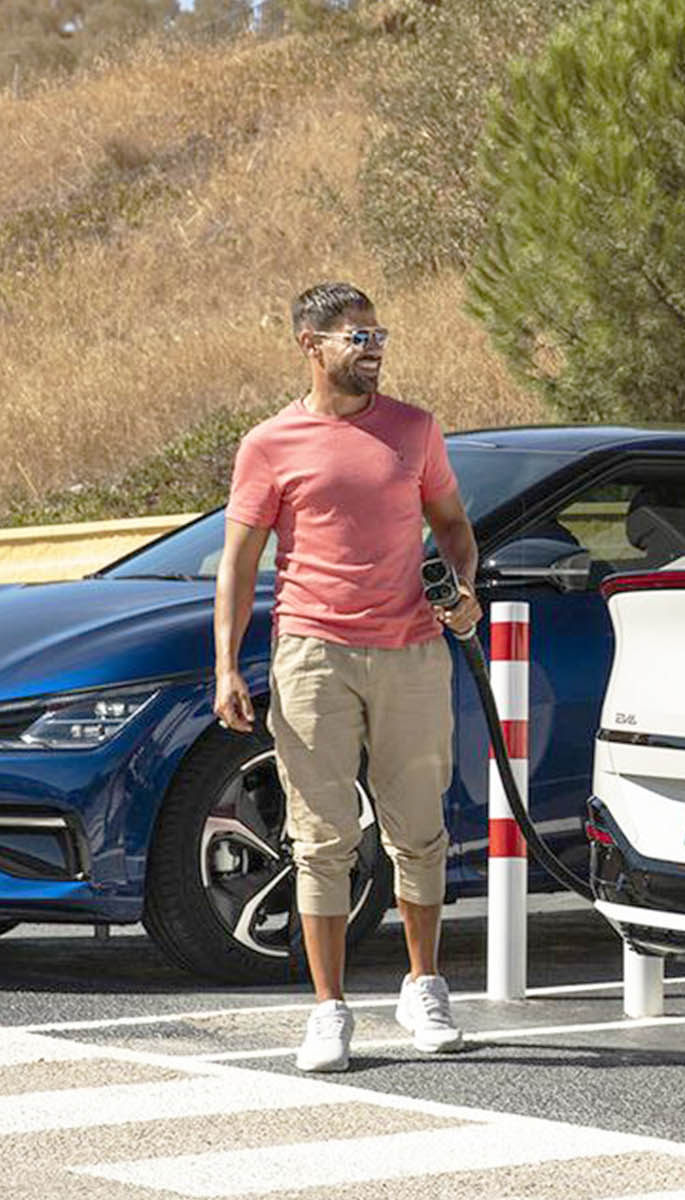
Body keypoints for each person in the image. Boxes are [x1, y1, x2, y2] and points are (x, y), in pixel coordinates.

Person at [213, 282, 483, 1073]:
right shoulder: (270, 443)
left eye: (378, 335)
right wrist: (227, 663)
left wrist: (462, 592)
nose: (372, 348)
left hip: (411, 652)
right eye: (355, 337)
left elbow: (455, 527)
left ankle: (423, 985)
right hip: (311, 654)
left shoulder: (414, 429)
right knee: (321, 838)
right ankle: (329, 1009)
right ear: (310, 344)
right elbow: (239, 561)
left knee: (418, 830)